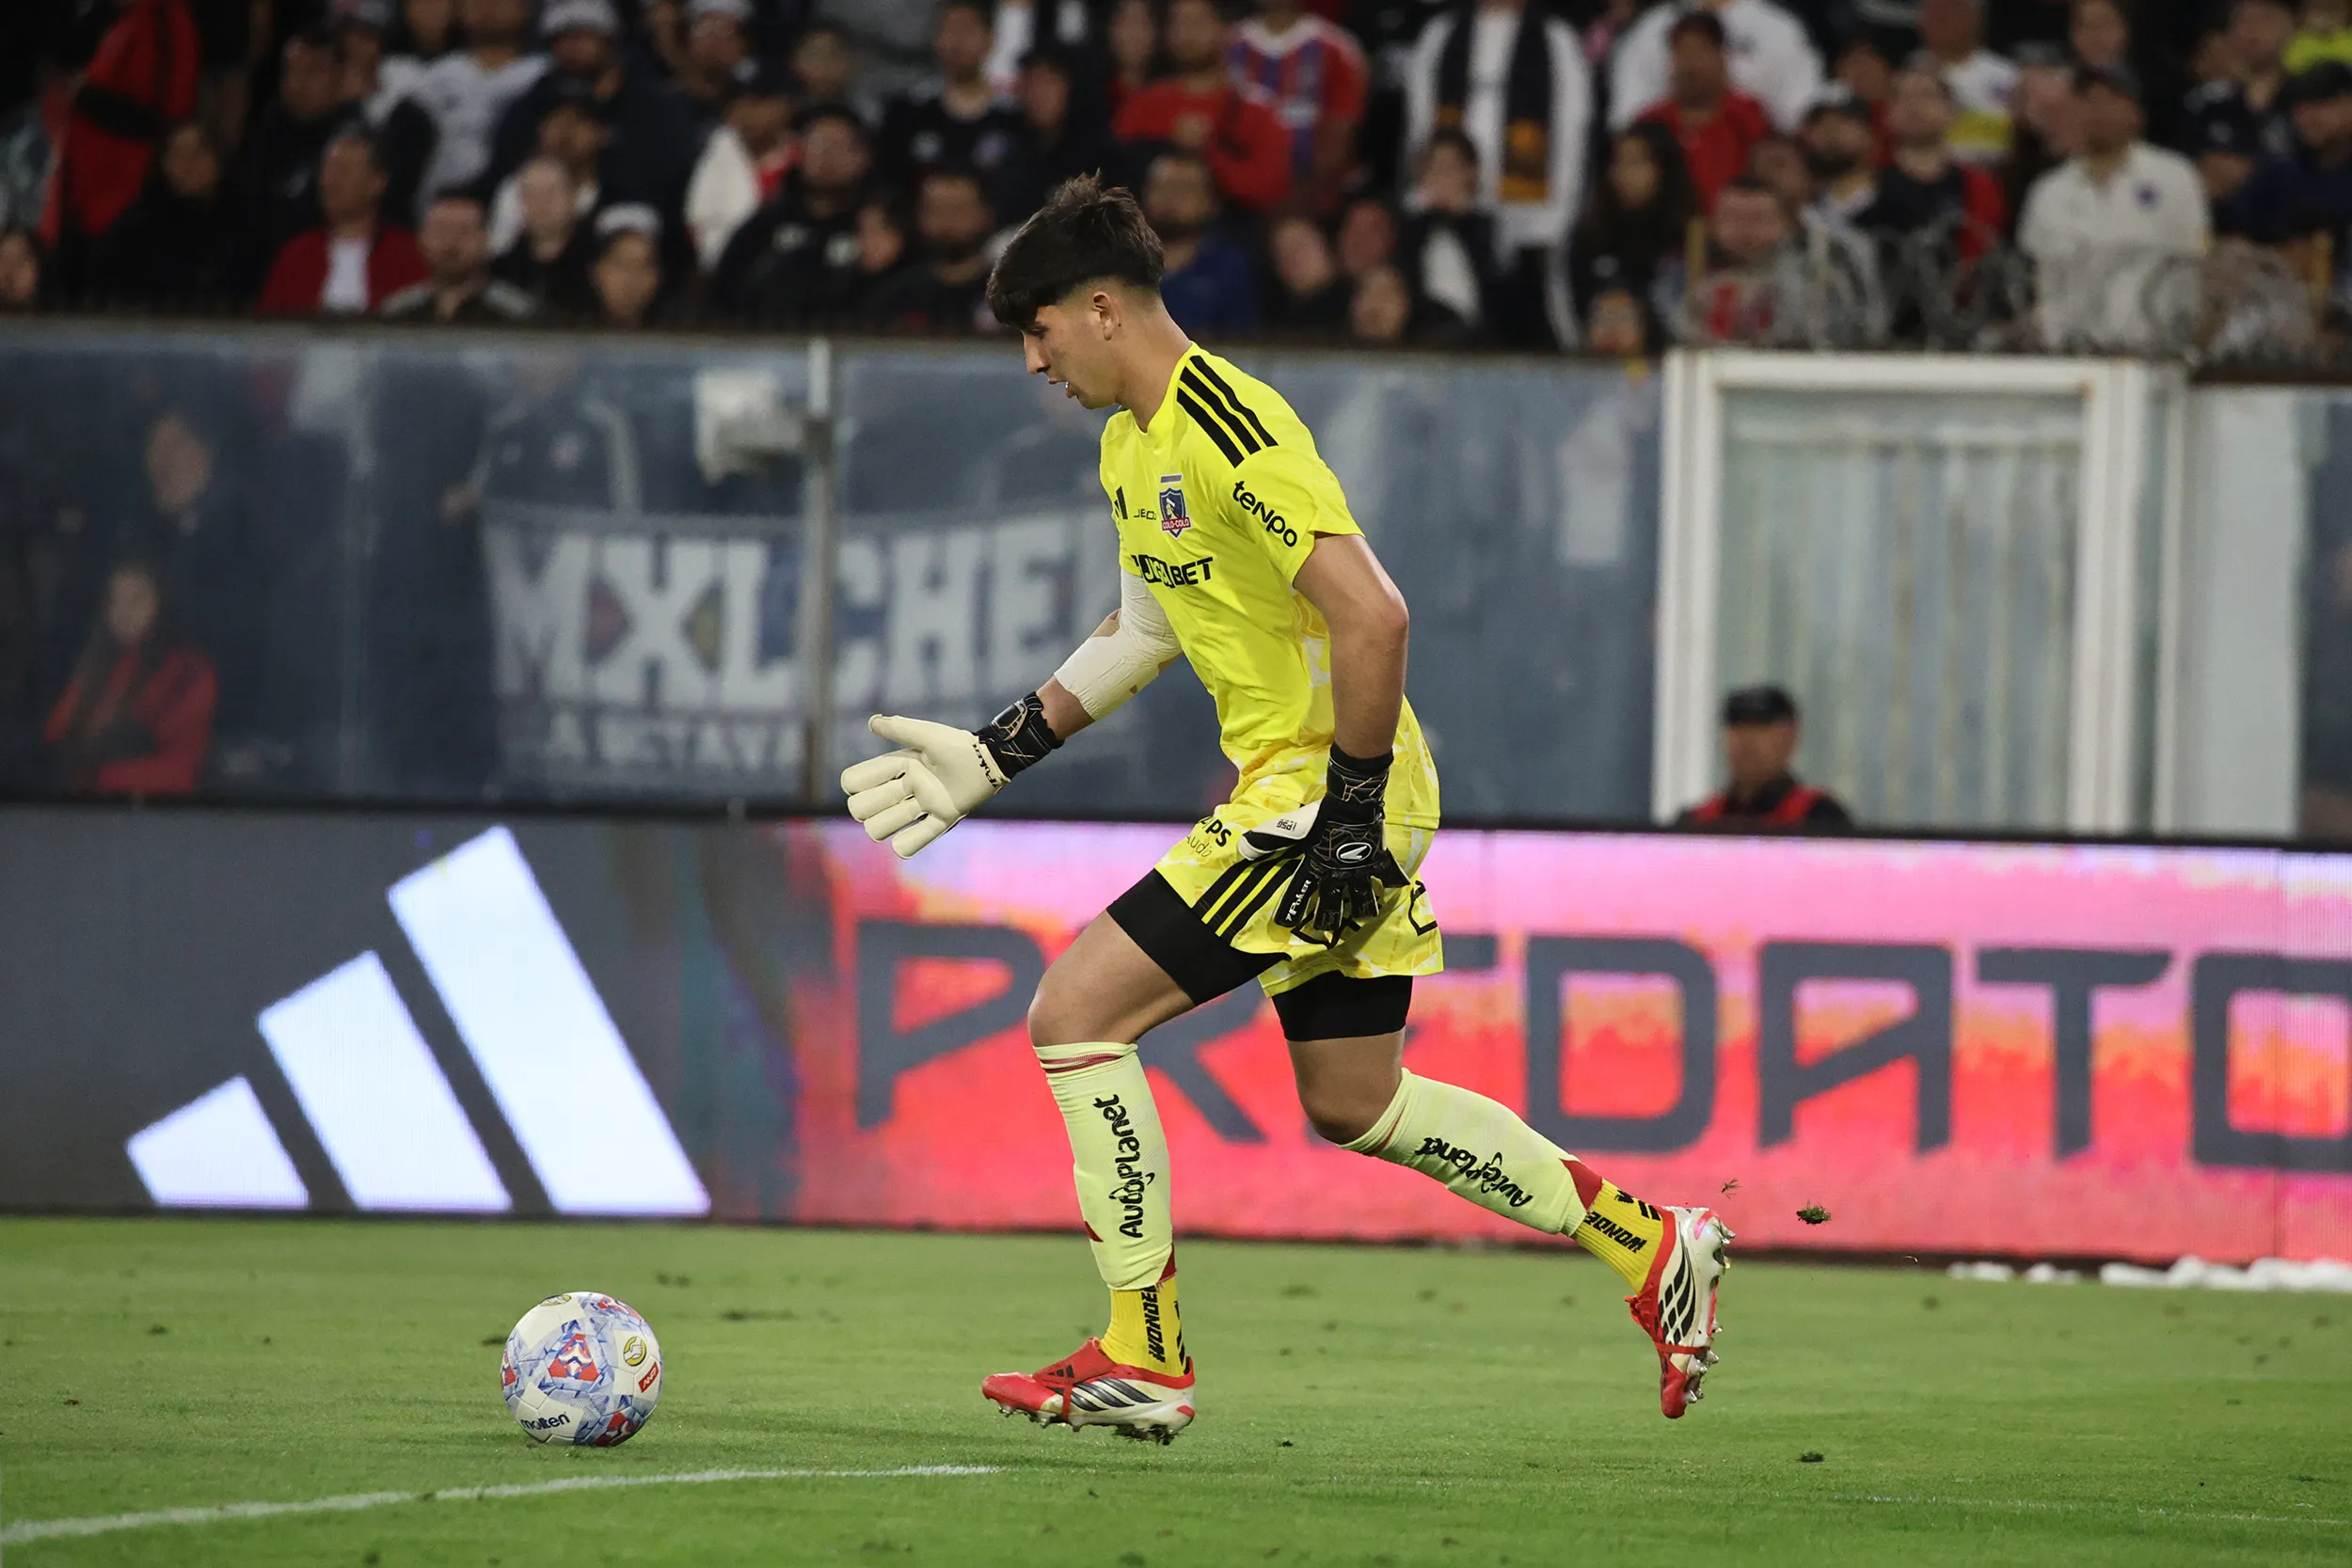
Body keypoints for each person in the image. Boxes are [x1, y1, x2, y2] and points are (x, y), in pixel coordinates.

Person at [840, 174, 1735, 1442]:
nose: (1032, 358)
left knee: (1076, 1013)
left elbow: (1377, 612)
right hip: (1324, 790)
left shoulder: (1228, 424)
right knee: (1356, 1098)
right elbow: (1150, 620)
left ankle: (1145, 1349)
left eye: (1037, 328)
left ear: (1102, 308)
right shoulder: (1129, 443)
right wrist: (1001, 749)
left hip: (1325, 790)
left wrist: (1352, 816)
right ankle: (1655, 1243)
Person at [1401, 0, 1592, 344]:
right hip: (1452, 206)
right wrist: (1430, 193)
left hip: (1532, 220)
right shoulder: (1441, 35)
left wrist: (1557, 217)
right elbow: (1421, 128)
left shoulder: (1555, 39)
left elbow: (1571, 132)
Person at [2016, 63, 2209, 351]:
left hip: (2156, 347)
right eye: (2088, 101)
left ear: (2135, 113)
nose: (2099, 112)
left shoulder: (2175, 177)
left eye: (2110, 100)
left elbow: (2196, 259)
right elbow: (2039, 279)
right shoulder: (2049, 192)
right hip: (2071, 351)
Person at [43, 558, 216, 796]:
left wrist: (101, 774)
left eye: (136, 600)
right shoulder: (95, 664)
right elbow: (57, 737)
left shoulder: (189, 671)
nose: (123, 612)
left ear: (161, 602)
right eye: (115, 600)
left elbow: (181, 765)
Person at [1114, 0, 1294, 214]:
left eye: (1197, 23)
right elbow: (1113, 174)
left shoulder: (1258, 110)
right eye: (1177, 23)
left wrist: (1209, 152)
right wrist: (1165, 146)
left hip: (1233, 233)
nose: (1185, 33)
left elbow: (1267, 191)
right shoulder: (1143, 104)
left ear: (1227, 30)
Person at [708, 104, 871, 325]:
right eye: (818, 144)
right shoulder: (763, 226)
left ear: (863, 156)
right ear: (798, 152)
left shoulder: (878, 227)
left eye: (841, 146)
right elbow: (726, 294)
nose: (828, 156)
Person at [258, 127, 428, 314]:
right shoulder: (297, 255)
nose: (331, 181)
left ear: (377, 182)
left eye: (344, 170)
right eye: (327, 169)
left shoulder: (406, 255)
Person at [1230, 0, 1371, 212]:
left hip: (1311, 201)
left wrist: (1304, 197)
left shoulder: (1339, 48)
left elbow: (1341, 133)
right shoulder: (1226, 44)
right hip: (1234, 199)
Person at [402, 0, 548, 203]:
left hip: (516, 204)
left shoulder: (543, 77)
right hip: (441, 205)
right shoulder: (434, 78)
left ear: (525, 10)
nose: (487, 7)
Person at [1609, 0, 1824, 135]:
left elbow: (1800, 120)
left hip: (1752, 170)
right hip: (1670, 164)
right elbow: (1627, 120)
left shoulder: (1780, 30)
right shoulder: (1652, 30)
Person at [87, 121, 242, 309]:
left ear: (218, 161)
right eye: (177, 155)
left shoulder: (242, 222)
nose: (187, 164)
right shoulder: (136, 226)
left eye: (197, 153)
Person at [877, 1, 1025, 193]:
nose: (957, 42)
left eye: (968, 30)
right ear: (935, 40)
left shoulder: (1015, 116)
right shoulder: (907, 111)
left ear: (991, 39)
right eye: (948, 29)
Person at [1636, 10, 1775, 213]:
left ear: (1722, 57)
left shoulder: (1750, 118)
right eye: (1682, 52)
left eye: (1701, 50)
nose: (1691, 64)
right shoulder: (1651, 123)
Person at [1673, 684, 1851, 829]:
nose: (1747, 739)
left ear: (1791, 737)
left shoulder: (1819, 815)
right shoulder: (1698, 822)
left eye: (1761, 728)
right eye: (1737, 727)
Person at [1570, 121, 1699, 320]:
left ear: (1665, 168)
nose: (1623, 173)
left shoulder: (1692, 237)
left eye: (1637, 162)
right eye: (1617, 162)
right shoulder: (1590, 238)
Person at [684, 56, 795, 273]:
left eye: (758, 101)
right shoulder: (702, 156)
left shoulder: (807, 161)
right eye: (738, 100)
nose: (745, 111)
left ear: (786, 105)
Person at [861, 165, 1001, 333]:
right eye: (936, 210)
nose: (947, 221)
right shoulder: (895, 298)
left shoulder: (1013, 297)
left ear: (985, 215)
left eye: (958, 209)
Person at [993, 46, 1118, 230]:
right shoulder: (1013, 156)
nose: (1038, 94)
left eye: (1048, 82)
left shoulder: (1103, 159)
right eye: (1030, 83)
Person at [2229, 61, 2352, 245]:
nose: (2307, 118)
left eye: (2320, 105)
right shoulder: (2277, 171)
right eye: (2300, 108)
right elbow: (2236, 234)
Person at [1141, 150, 1258, 338]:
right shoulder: (1122, 264)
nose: (1170, 198)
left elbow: (1244, 343)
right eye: (1162, 187)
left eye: (1184, 190)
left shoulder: (1228, 268)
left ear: (1209, 203)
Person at [1398, 128, 1497, 337]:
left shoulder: (1491, 230)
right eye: (1433, 168)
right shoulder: (1407, 230)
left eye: (1450, 168)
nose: (1441, 177)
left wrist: (1463, 219)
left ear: (1471, 173)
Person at [381, 190, 538, 322]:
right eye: (441, 231)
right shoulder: (397, 312)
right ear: (422, 239)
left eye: (464, 231)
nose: (451, 242)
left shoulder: (517, 314)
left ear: (485, 240)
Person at [493, 155, 597, 313]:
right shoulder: (501, 270)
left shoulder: (597, 264)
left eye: (551, 193)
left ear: (572, 197)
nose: (541, 203)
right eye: (531, 194)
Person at [1916, 0, 2016, 166]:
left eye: (1952, 8)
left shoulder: (2007, 75)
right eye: (1932, 10)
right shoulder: (1906, 75)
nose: (1942, 16)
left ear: (1976, 17)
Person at [1263, 212, 1350, 335]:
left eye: (1300, 245)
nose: (1294, 257)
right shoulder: (1277, 323)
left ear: (1326, 244)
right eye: (1282, 252)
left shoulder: (1357, 304)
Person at [587, 206, 667, 326]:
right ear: (597, 271)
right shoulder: (563, 330)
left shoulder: (679, 333)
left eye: (642, 266)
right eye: (620, 264)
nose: (630, 279)